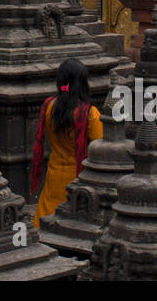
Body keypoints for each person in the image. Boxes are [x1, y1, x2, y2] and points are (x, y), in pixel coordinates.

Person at [30, 58, 103, 228]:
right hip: (79, 179)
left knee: (44, 223)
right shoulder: (90, 114)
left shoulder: (49, 106)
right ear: (83, 83)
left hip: (53, 175)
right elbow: (99, 150)